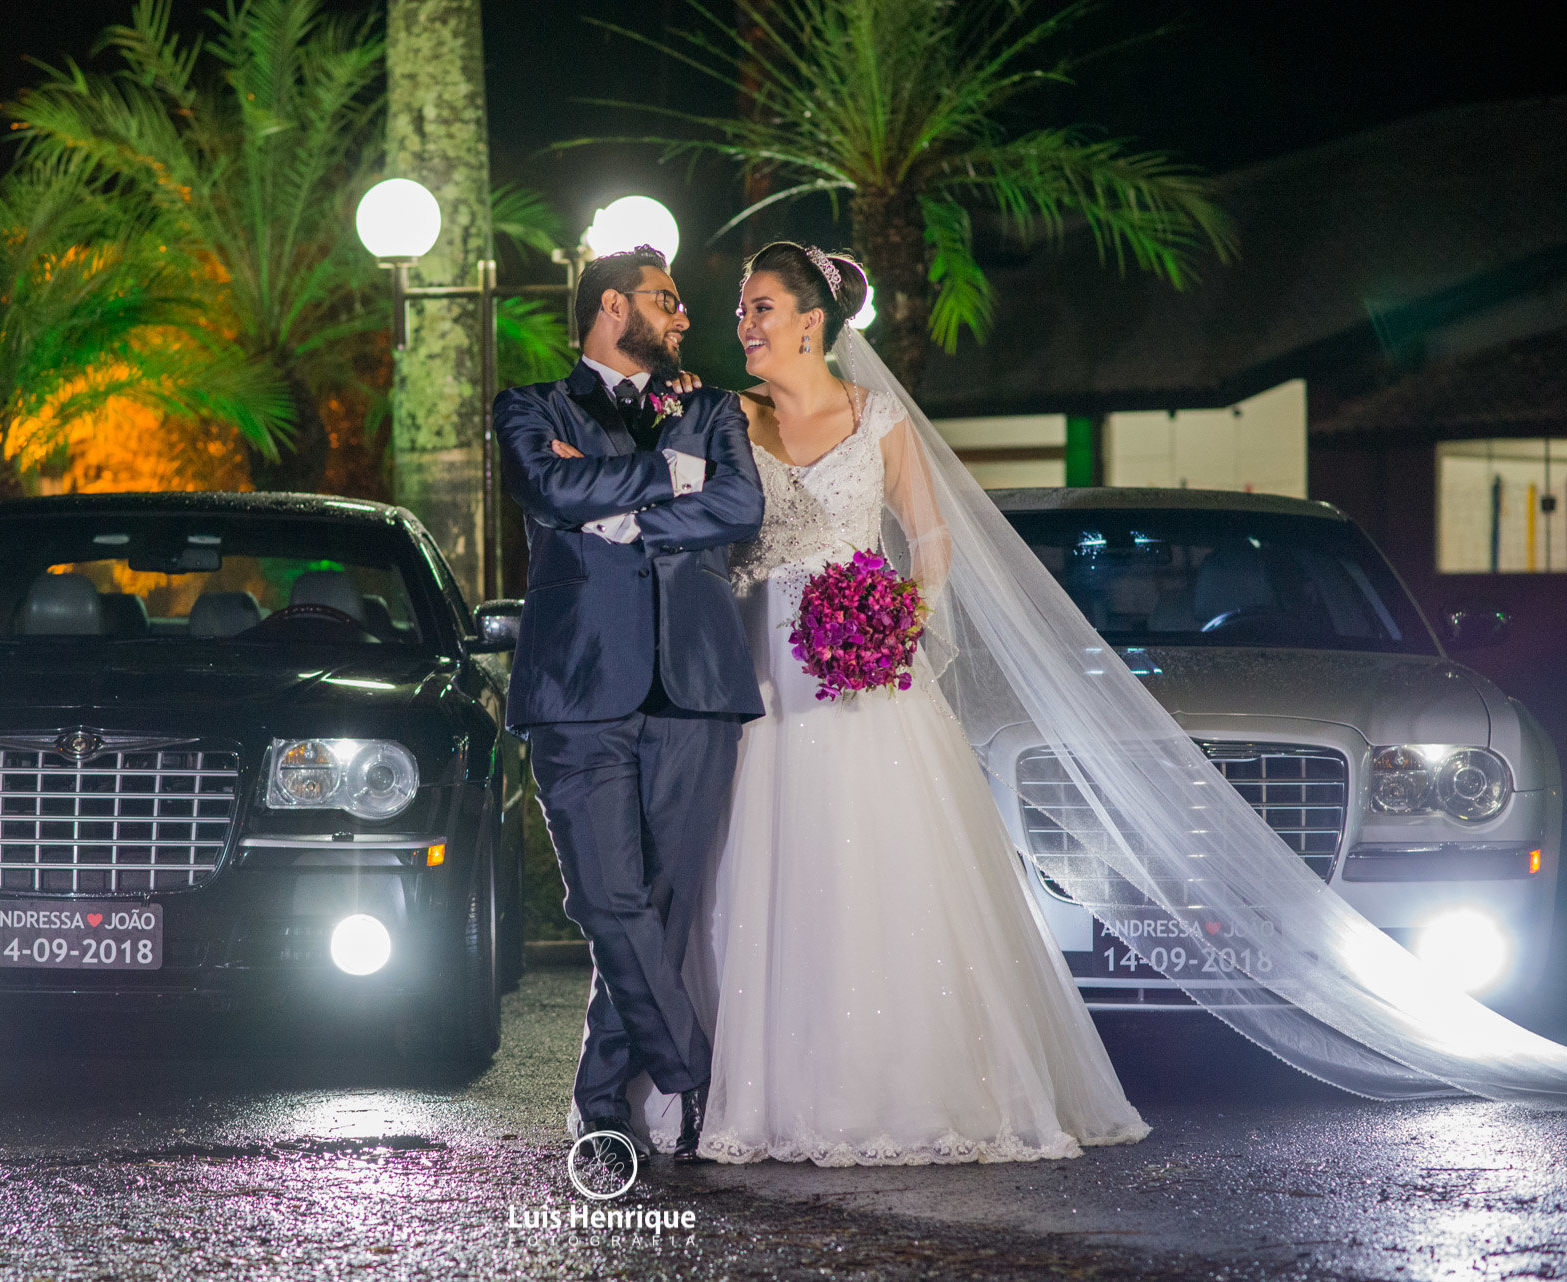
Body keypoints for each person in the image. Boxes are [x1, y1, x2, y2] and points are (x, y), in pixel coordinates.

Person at [637, 241, 1567, 1165]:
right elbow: (688, 521)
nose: (744, 325)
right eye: (740, 313)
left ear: (812, 320)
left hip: (868, 674)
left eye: (760, 307)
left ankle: (882, 1087)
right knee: (758, 868)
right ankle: (741, 1089)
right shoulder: (728, 419)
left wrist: (899, 622)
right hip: (763, 668)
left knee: (873, 878)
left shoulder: (880, 419)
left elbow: (930, 537)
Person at [493, 246, 766, 1174]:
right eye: (666, 298)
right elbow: (551, 487)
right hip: (578, 690)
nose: (683, 315)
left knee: (665, 903)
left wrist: (624, 507)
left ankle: (602, 1098)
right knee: (604, 897)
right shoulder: (531, 408)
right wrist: (671, 479)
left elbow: (740, 504)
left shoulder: (713, 407)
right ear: (613, 306)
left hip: (697, 687)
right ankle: (691, 1069)